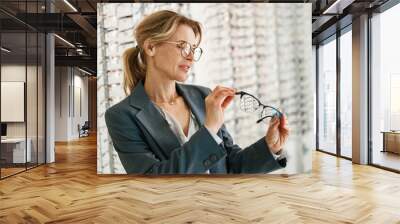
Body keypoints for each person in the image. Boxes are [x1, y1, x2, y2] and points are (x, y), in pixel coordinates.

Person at [105, 10, 289, 174]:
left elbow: (230, 166)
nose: (191, 57)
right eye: (182, 46)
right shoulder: (121, 116)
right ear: (151, 47)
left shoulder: (203, 96)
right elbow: (153, 179)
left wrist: (270, 147)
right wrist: (209, 130)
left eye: (194, 49)